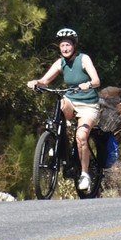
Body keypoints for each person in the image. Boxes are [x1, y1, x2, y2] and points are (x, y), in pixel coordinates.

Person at [27, 27, 102, 192]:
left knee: (81, 137)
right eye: (62, 46)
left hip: (88, 104)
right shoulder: (60, 62)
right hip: (71, 101)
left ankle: (84, 174)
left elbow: (96, 81)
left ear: (74, 45)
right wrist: (36, 83)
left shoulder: (84, 59)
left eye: (68, 45)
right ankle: (57, 139)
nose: (65, 48)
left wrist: (87, 84)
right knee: (60, 103)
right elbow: (45, 80)